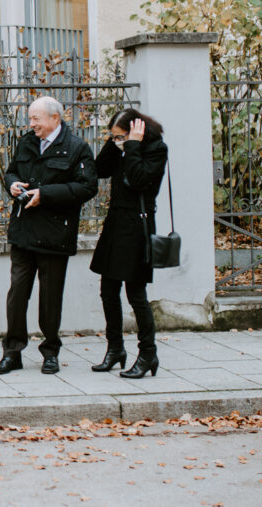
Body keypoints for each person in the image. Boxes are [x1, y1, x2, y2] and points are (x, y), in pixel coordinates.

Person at [0, 96, 97, 377]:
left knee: (50, 298)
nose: (32, 124)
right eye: (30, 118)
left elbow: (87, 187)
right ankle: (12, 352)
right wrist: (12, 184)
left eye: (36, 118)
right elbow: (12, 170)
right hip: (24, 231)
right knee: (17, 295)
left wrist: (45, 195)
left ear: (55, 119)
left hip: (55, 234)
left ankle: (50, 352)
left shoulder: (77, 148)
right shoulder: (27, 142)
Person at [90, 109, 168, 378]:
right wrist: (115, 144)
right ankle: (115, 350)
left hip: (138, 226)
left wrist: (132, 145)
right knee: (108, 290)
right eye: (114, 137)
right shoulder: (121, 147)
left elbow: (138, 180)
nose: (118, 141)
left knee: (136, 295)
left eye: (120, 136)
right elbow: (98, 170)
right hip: (115, 224)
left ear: (137, 131)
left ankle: (148, 353)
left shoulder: (156, 149)